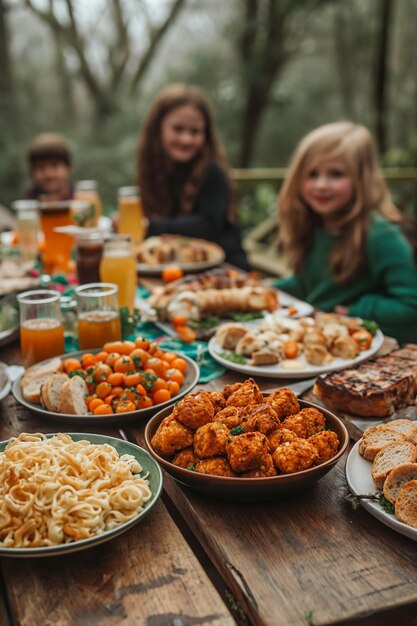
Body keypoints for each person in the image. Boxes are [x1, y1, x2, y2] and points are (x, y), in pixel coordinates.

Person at [274, 121, 417, 343]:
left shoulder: (381, 236)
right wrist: (266, 291)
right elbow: (310, 284)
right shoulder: (316, 225)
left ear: (362, 179)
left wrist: (356, 310)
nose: (321, 184)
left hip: (374, 352)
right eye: (312, 174)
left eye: (336, 174)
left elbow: (411, 305)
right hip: (319, 337)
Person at [136, 84, 250, 269]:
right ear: (158, 129)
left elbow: (207, 224)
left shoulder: (213, 172)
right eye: (178, 129)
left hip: (227, 269)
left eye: (195, 132)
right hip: (180, 271)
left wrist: (150, 226)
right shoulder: (155, 172)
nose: (186, 139)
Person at [23, 133, 73, 201]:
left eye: (54, 165)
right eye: (41, 168)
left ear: (68, 167)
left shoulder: (82, 197)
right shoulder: (28, 201)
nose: (49, 174)